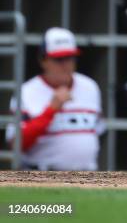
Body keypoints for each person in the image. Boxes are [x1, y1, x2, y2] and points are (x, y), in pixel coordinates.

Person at [6, 27, 104, 171]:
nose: (66, 65)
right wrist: (51, 110)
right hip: (41, 175)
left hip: (87, 176)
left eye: (70, 58)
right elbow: (15, 144)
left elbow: (99, 131)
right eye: (59, 59)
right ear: (43, 60)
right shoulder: (26, 92)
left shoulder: (89, 86)